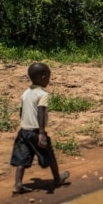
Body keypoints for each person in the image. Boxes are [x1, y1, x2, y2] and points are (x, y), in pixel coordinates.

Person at [10, 62, 70, 194]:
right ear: (43, 77)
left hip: (23, 131)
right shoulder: (42, 94)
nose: (49, 80)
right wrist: (41, 133)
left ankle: (18, 184)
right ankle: (57, 178)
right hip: (36, 132)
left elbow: (21, 112)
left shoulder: (25, 93)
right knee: (49, 155)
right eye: (48, 77)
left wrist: (24, 124)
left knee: (22, 159)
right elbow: (41, 112)